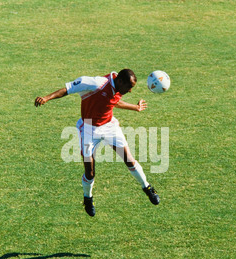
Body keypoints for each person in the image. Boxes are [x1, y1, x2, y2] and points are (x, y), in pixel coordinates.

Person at [35, 69, 159, 217]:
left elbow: (114, 101)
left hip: (110, 127)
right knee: (90, 171)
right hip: (89, 129)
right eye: (129, 87)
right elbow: (67, 89)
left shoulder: (119, 87)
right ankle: (88, 198)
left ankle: (147, 187)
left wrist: (135, 107)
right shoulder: (95, 84)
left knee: (129, 160)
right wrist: (46, 98)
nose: (130, 91)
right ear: (120, 81)